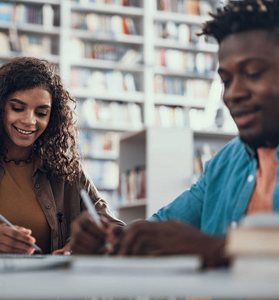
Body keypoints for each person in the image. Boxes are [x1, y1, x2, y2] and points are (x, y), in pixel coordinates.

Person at [69, 0, 279, 267]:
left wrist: (217, 249)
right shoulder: (224, 165)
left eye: (253, 73)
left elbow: (201, 246)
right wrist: (114, 238)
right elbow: (161, 229)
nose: (234, 94)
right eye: (226, 80)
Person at [0, 57, 124, 255]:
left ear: (52, 117)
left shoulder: (66, 168)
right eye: (17, 108)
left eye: (41, 113)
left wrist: (80, 246)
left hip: (49, 285)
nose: (29, 121)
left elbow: (115, 228)